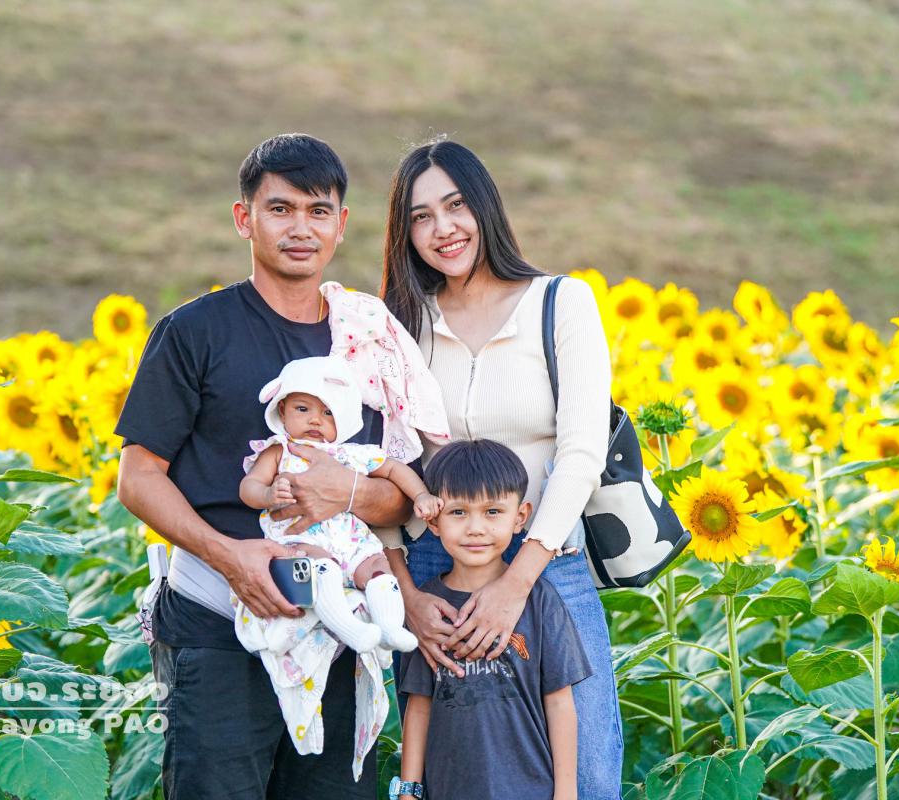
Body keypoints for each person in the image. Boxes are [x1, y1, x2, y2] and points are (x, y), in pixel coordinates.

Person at [116, 133, 413, 800]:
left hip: (336, 633)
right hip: (218, 623)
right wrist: (231, 558)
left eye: (318, 211)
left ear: (341, 224)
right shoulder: (195, 332)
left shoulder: (365, 340)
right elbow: (138, 477)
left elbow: (398, 491)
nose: (300, 228)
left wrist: (348, 492)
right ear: (243, 218)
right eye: (280, 209)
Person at [379, 138, 624, 799]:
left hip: (548, 561)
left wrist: (517, 581)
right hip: (436, 572)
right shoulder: (403, 324)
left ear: (485, 206)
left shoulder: (560, 302)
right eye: (421, 217)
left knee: (586, 773)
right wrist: (406, 593)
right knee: (455, 771)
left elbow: (581, 451)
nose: (443, 229)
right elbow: (387, 459)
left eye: (456, 206)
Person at [234, 355, 431, 777]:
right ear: (282, 411)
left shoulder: (352, 454)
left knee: (377, 567)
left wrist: (421, 497)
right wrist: (268, 496)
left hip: (350, 540)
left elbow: (395, 469)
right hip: (302, 540)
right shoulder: (280, 451)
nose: (315, 420)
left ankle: (389, 627)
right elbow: (249, 486)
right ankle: (350, 628)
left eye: (328, 412)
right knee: (317, 566)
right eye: (303, 408)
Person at [395, 440, 589, 800]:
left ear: (521, 517)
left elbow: (560, 702)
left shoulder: (540, 601)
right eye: (458, 512)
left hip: (530, 790)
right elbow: (419, 705)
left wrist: (566, 793)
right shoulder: (428, 610)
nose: (475, 528)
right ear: (433, 520)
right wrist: (408, 790)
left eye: (493, 512)